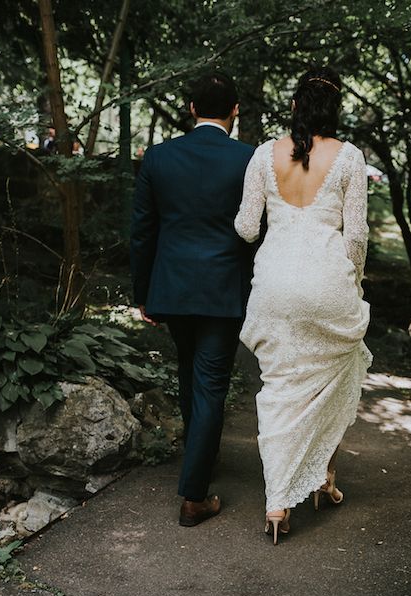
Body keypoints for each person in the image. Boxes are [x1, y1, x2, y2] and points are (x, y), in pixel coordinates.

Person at [235, 66, 372, 545]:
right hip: (326, 281)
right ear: (334, 110)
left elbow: (248, 228)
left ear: (294, 106)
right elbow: (355, 237)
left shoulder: (261, 155)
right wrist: (352, 279)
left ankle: (277, 505)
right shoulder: (350, 157)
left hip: (274, 283)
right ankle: (324, 478)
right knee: (333, 377)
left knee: (280, 389)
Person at [130, 72, 254, 527]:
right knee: (210, 383)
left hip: (174, 286)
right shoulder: (249, 159)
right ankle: (195, 494)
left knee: (189, 370)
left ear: (190, 107)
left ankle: (199, 459)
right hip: (223, 288)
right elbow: (257, 230)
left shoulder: (159, 157)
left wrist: (142, 293)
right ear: (235, 110)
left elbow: (143, 231)